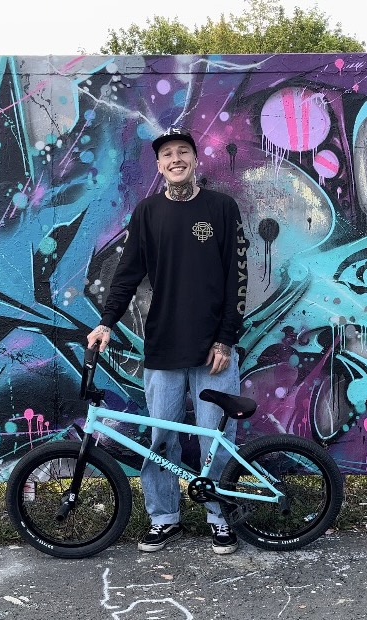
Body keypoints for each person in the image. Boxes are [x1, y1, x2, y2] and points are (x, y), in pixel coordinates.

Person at [86, 127, 249, 555]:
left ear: (195, 159)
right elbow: (126, 276)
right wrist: (106, 323)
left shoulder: (222, 208)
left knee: (215, 439)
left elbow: (238, 279)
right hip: (163, 345)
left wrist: (225, 340)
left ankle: (220, 517)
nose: (176, 159)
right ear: (159, 166)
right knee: (161, 440)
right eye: (167, 154)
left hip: (214, 350)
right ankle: (164, 518)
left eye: (183, 152)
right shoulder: (147, 212)